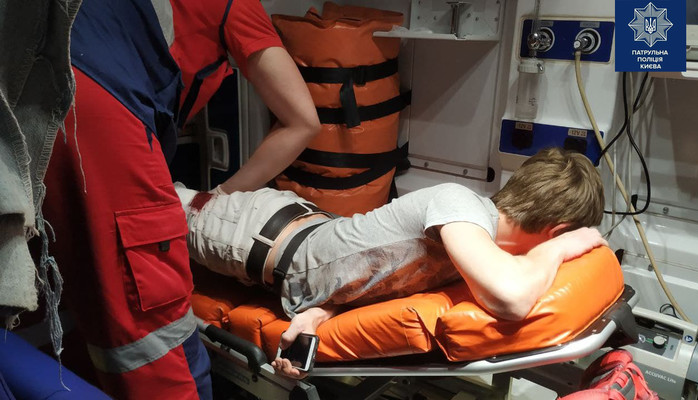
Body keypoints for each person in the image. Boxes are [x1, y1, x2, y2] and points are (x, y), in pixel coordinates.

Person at [41, 0, 319, 398]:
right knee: (152, 326)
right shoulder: (235, 5)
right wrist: (219, 196)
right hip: (98, 104)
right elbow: (303, 120)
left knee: (74, 289)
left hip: (35, 86)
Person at [174, 147, 607, 379]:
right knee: (150, 200)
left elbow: (384, 274)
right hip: (251, 231)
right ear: (557, 229)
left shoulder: (477, 242)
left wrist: (323, 310)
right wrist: (556, 251)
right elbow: (511, 300)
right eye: (562, 239)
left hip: (298, 230)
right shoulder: (462, 208)